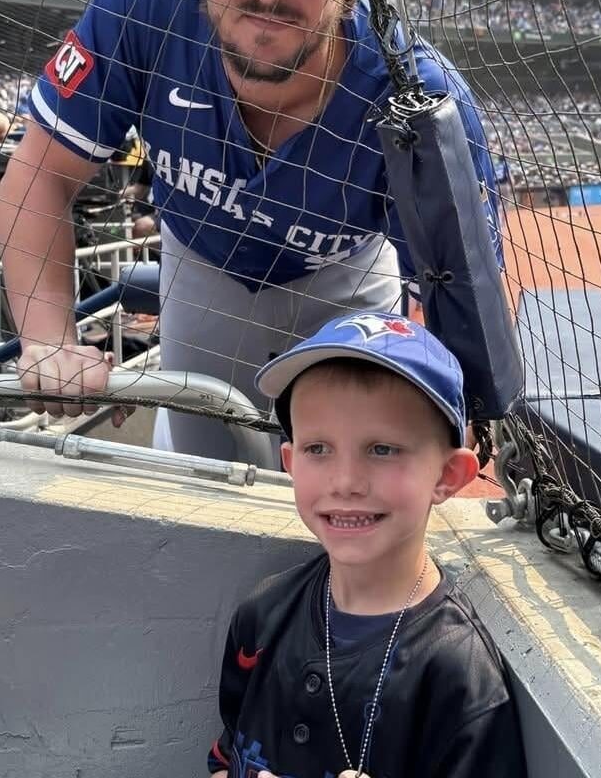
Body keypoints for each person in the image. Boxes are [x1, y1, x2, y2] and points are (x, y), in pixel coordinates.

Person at [0, 0, 501, 462]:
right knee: (197, 485)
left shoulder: (414, 93)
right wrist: (50, 340)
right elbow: (39, 173)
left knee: (348, 493)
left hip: (341, 283)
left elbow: (456, 308)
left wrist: (442, 417)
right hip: (197, 264)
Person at [208, 310, 526, 778]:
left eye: (382, 449)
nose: (346, 481)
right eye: (318, 449)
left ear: (448, 476)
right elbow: (223, 758)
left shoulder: (458, 675)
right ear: (290, 463)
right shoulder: (262, 613)